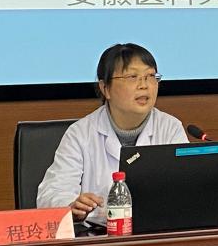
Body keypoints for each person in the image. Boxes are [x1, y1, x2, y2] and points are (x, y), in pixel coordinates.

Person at [35, 43, 187, 220]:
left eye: (151, 76)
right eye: (132, 77)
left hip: (156, 231)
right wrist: (71, 205)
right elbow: (52, 193)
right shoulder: (80, 134)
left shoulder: (170, 128)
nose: (144, 85)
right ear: (105, 88)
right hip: (97, 234)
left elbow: (185, 188)